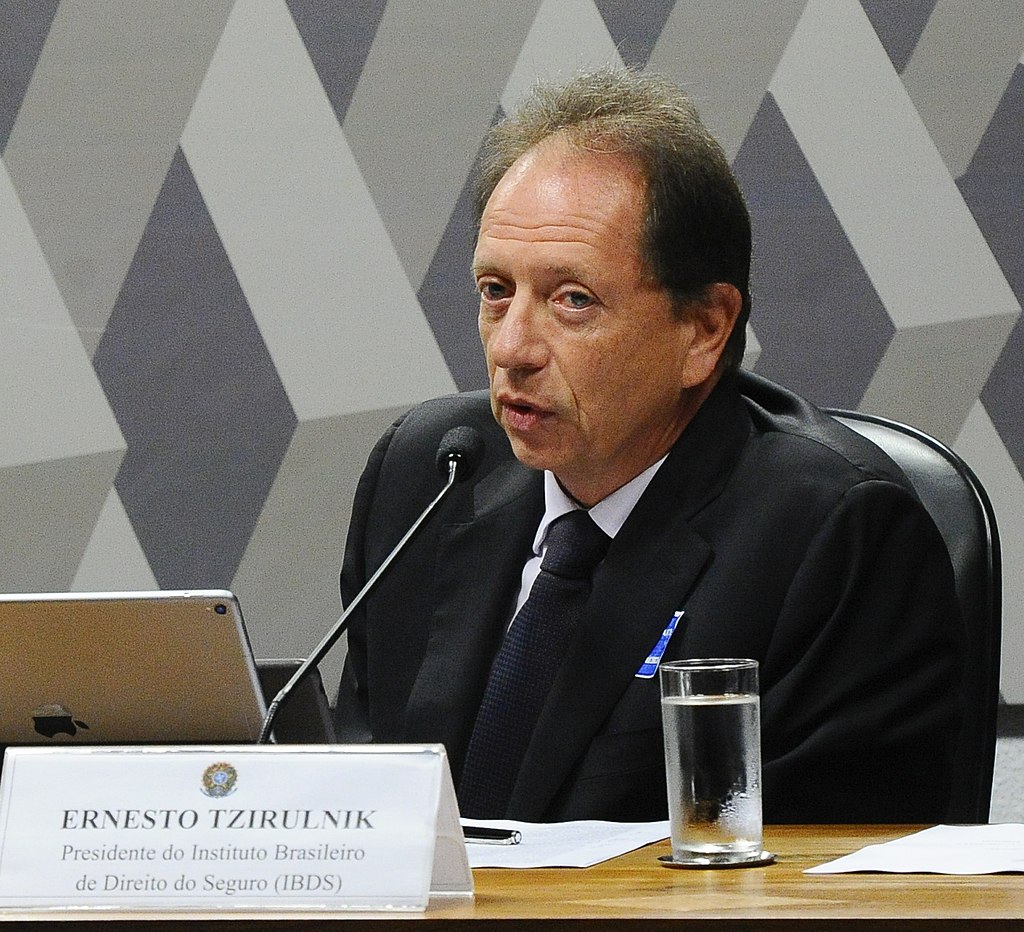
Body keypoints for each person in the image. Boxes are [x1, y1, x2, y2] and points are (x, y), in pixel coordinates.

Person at [333, 68, 964, 824]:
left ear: (704, 330)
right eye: (495, 290)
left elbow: (822, 866)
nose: (512, 347)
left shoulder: (831, 537)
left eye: (572, 300)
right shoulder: (428, 474)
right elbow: (357, 794)